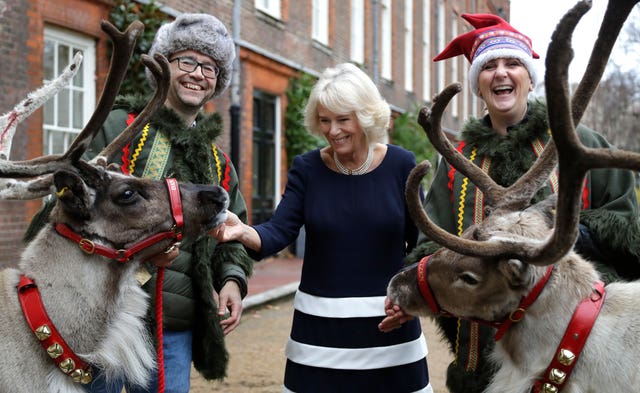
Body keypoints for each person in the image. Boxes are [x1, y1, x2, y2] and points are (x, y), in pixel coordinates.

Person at [381, 13, 640, 393]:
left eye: (512, 63)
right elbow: (429, 247)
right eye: (489, 66)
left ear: (529, 77)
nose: (500, 73)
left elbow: (629, 233)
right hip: (482, 357)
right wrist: (417, 291)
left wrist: (569, 236)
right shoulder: (458, 162)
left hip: (583, 362)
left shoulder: (582, 145)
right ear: (478, 85)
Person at [26, 13, 253, 393]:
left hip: (171, 327)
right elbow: (67, 210)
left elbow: (234, 228)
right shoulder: (119, 130)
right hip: (103, 318)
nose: (198, 73)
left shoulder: (218, 163)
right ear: (164, 65)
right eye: (187, 61)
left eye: (210, 67)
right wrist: (139, 254)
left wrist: (233, 280)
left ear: (218, 82)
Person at [211, 62, 432, 392]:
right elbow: (279, 230)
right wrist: (244, 230)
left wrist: (412, 299)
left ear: (366, 116)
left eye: (343, 119)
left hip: (390, 325)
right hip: (318, 335)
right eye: (325, 120)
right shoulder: (308, 168)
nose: (333, 130)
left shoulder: (402, 165)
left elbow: (422, 246)